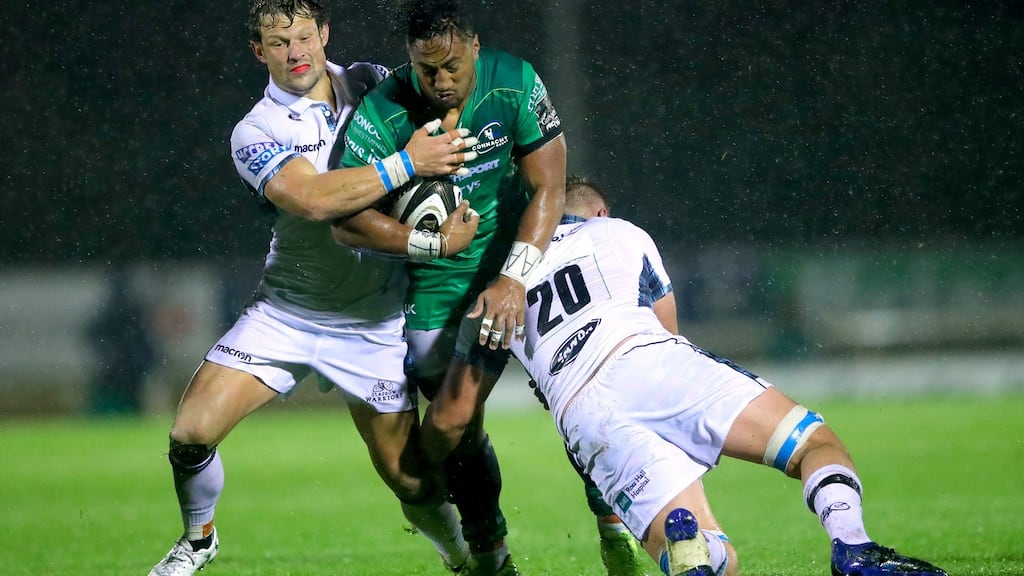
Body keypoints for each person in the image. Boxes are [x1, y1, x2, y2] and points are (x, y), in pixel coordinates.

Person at [419, 175, 949, 576]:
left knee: (713, 555)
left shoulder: (497, 289)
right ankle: (853, 549)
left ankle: (696, 551)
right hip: (648, 360)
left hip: (584, 416)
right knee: (813, 443)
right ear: (599, 211)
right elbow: (668, 331)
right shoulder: (619, 232)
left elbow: (452, 419)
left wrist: (425, 465)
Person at [146, 1, 481, 575]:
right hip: (288, 313)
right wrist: (407, 164)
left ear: (325, 34)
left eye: (304, 36)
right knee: (190, 434)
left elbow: (451, 106)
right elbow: (312, 199)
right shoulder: (256, 130)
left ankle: (460, 559)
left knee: (410, 480)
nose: (295, 52)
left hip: (373, 323)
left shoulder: (374, 84)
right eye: (279, 43)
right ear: (259, 52)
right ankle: (199, 539)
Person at [331, 1, 566, 574]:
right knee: (452, 432)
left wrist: (513, 276)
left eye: (452, 66)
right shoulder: (384, 108)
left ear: (475, 46)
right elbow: (344, 218)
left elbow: (550, 184)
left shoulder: (514, 81)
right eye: (425, 68)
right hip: (435, 295)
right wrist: (426, 243)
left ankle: (617, 530)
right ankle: (489, 553)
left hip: (521, 269)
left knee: (589, 403)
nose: (440, 81)